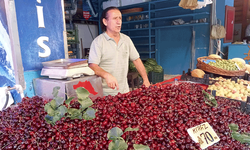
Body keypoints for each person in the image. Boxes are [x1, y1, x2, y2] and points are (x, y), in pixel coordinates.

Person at [88, 6, 150, 96]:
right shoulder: (98, 42)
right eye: (114, 18)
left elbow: (136, 60)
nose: (118, 22)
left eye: (120, 18)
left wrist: (145, 79)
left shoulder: (126, 40)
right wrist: (107, 75)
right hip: (105, 93)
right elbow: (93, 65)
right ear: (105, 22)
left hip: (124, 91)